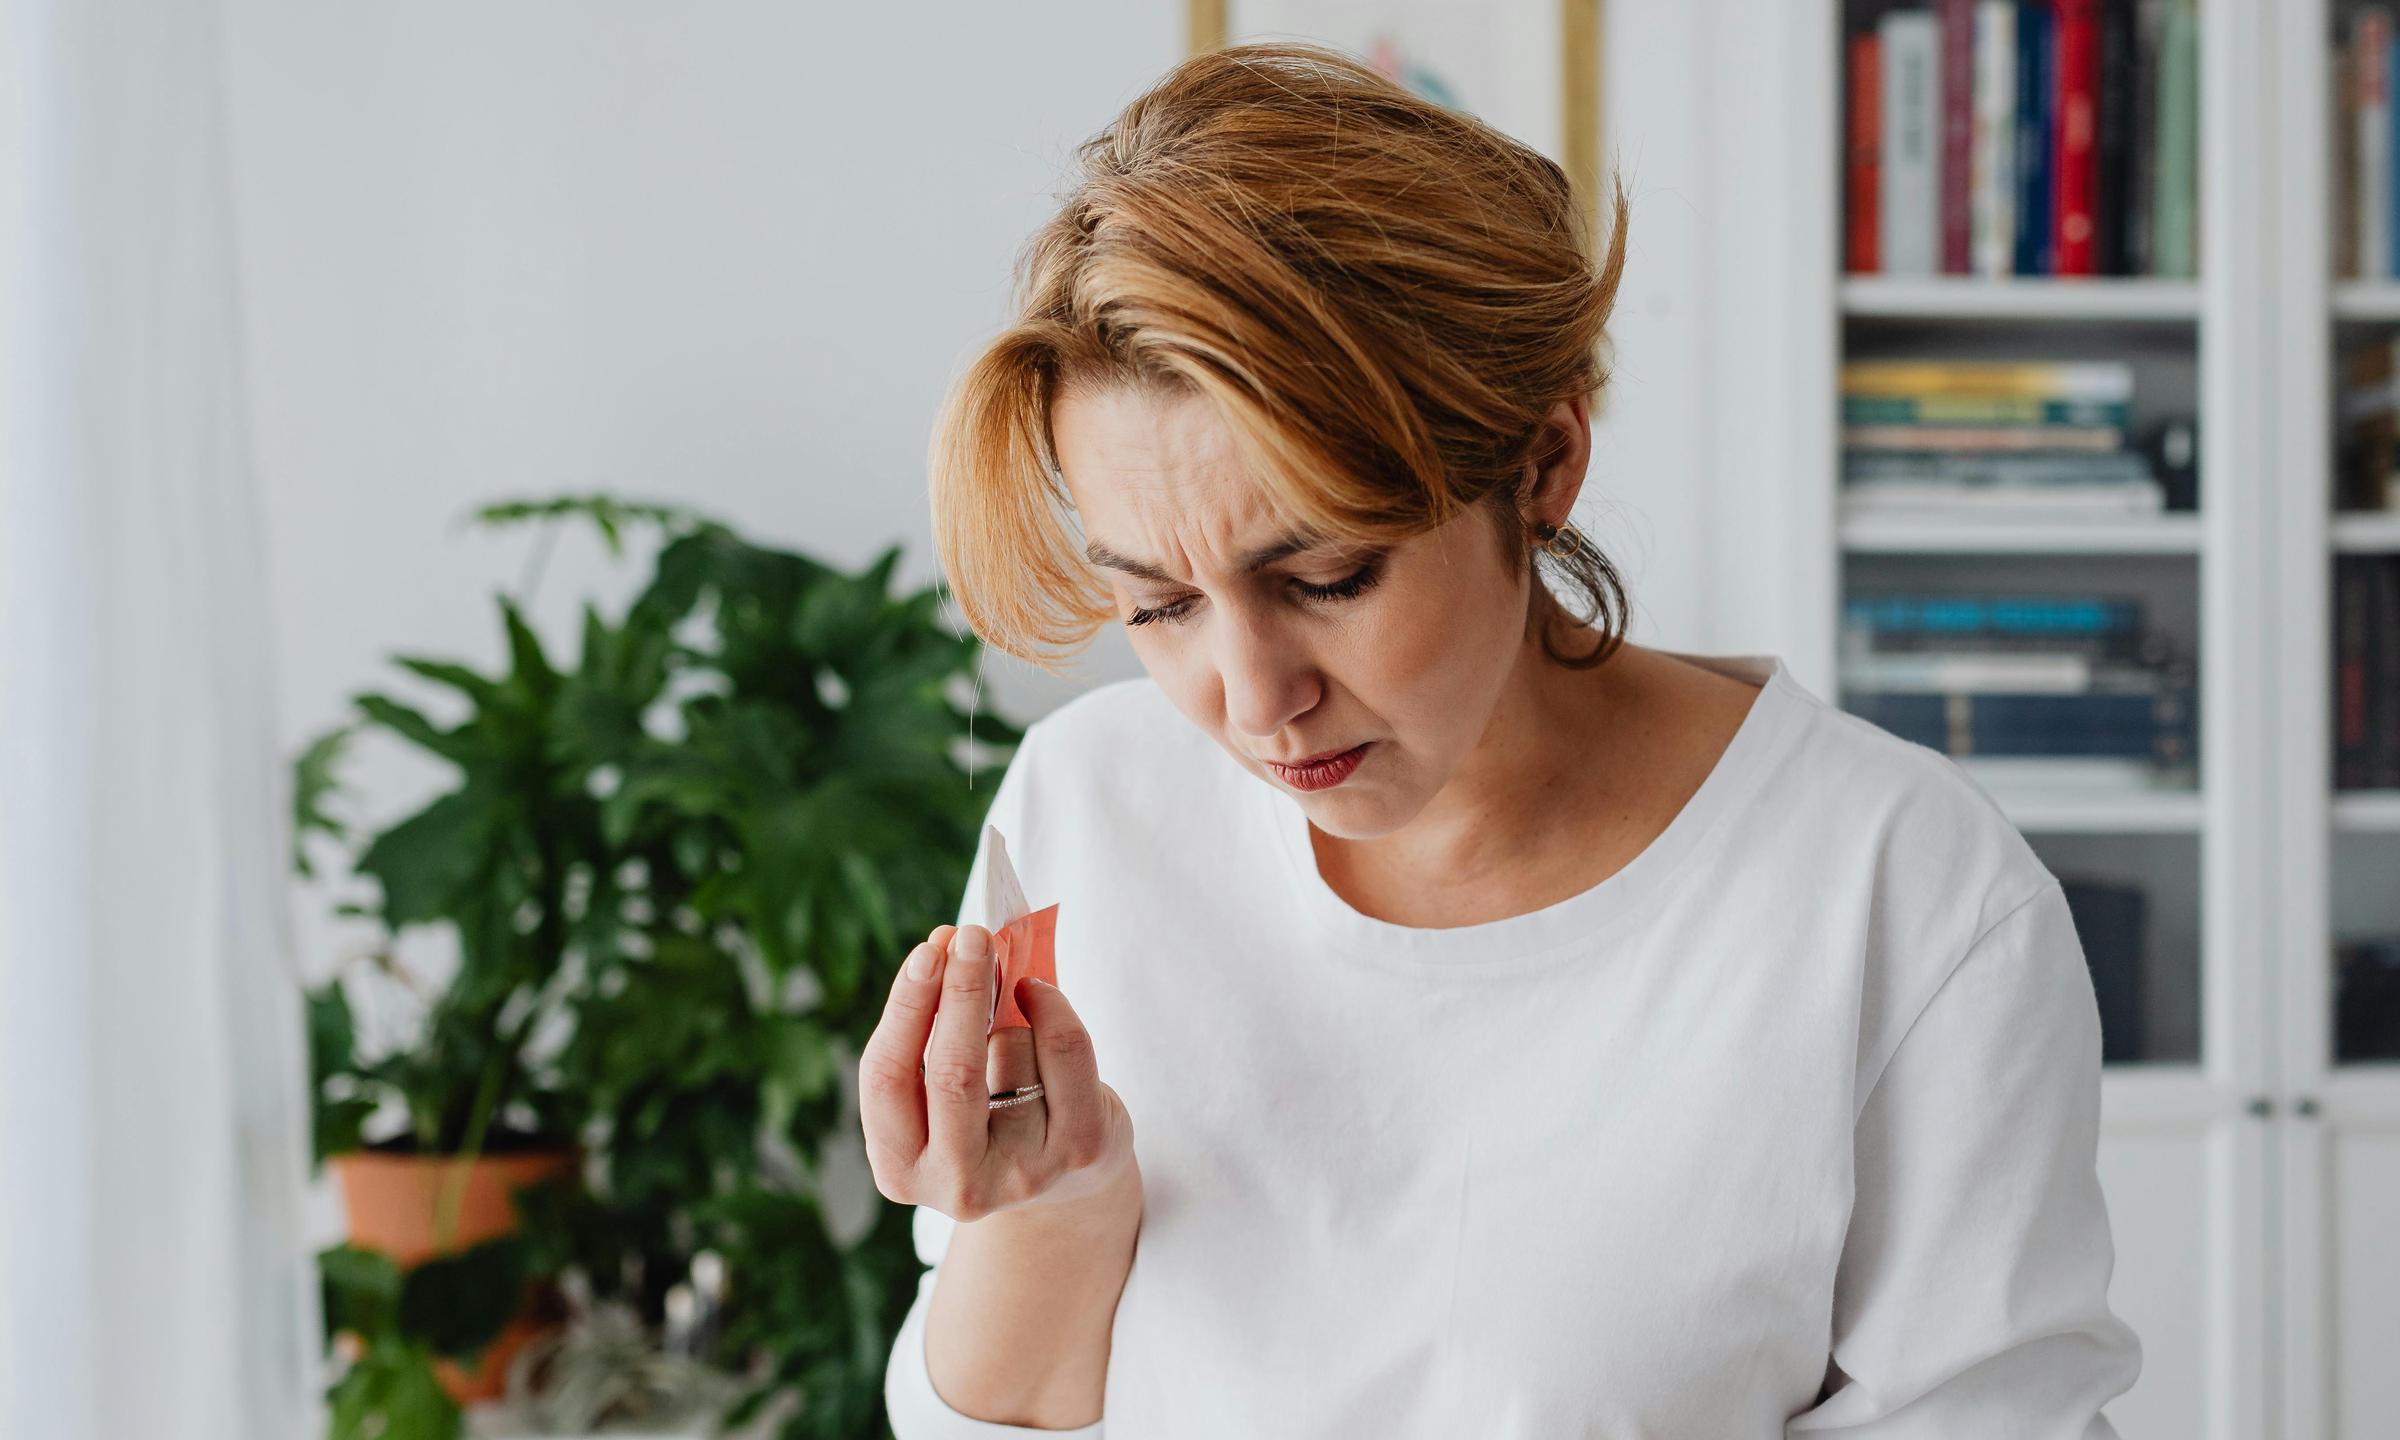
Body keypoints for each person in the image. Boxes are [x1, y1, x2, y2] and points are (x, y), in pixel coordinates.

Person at [858, 40, 2141, 1439]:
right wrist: (1057, 1205)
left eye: (1329, 577)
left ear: (1542, 465)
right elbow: (988, 1414)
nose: (1253, 696)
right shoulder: (1090, 808)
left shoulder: (1904, 894)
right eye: (1156, 603)